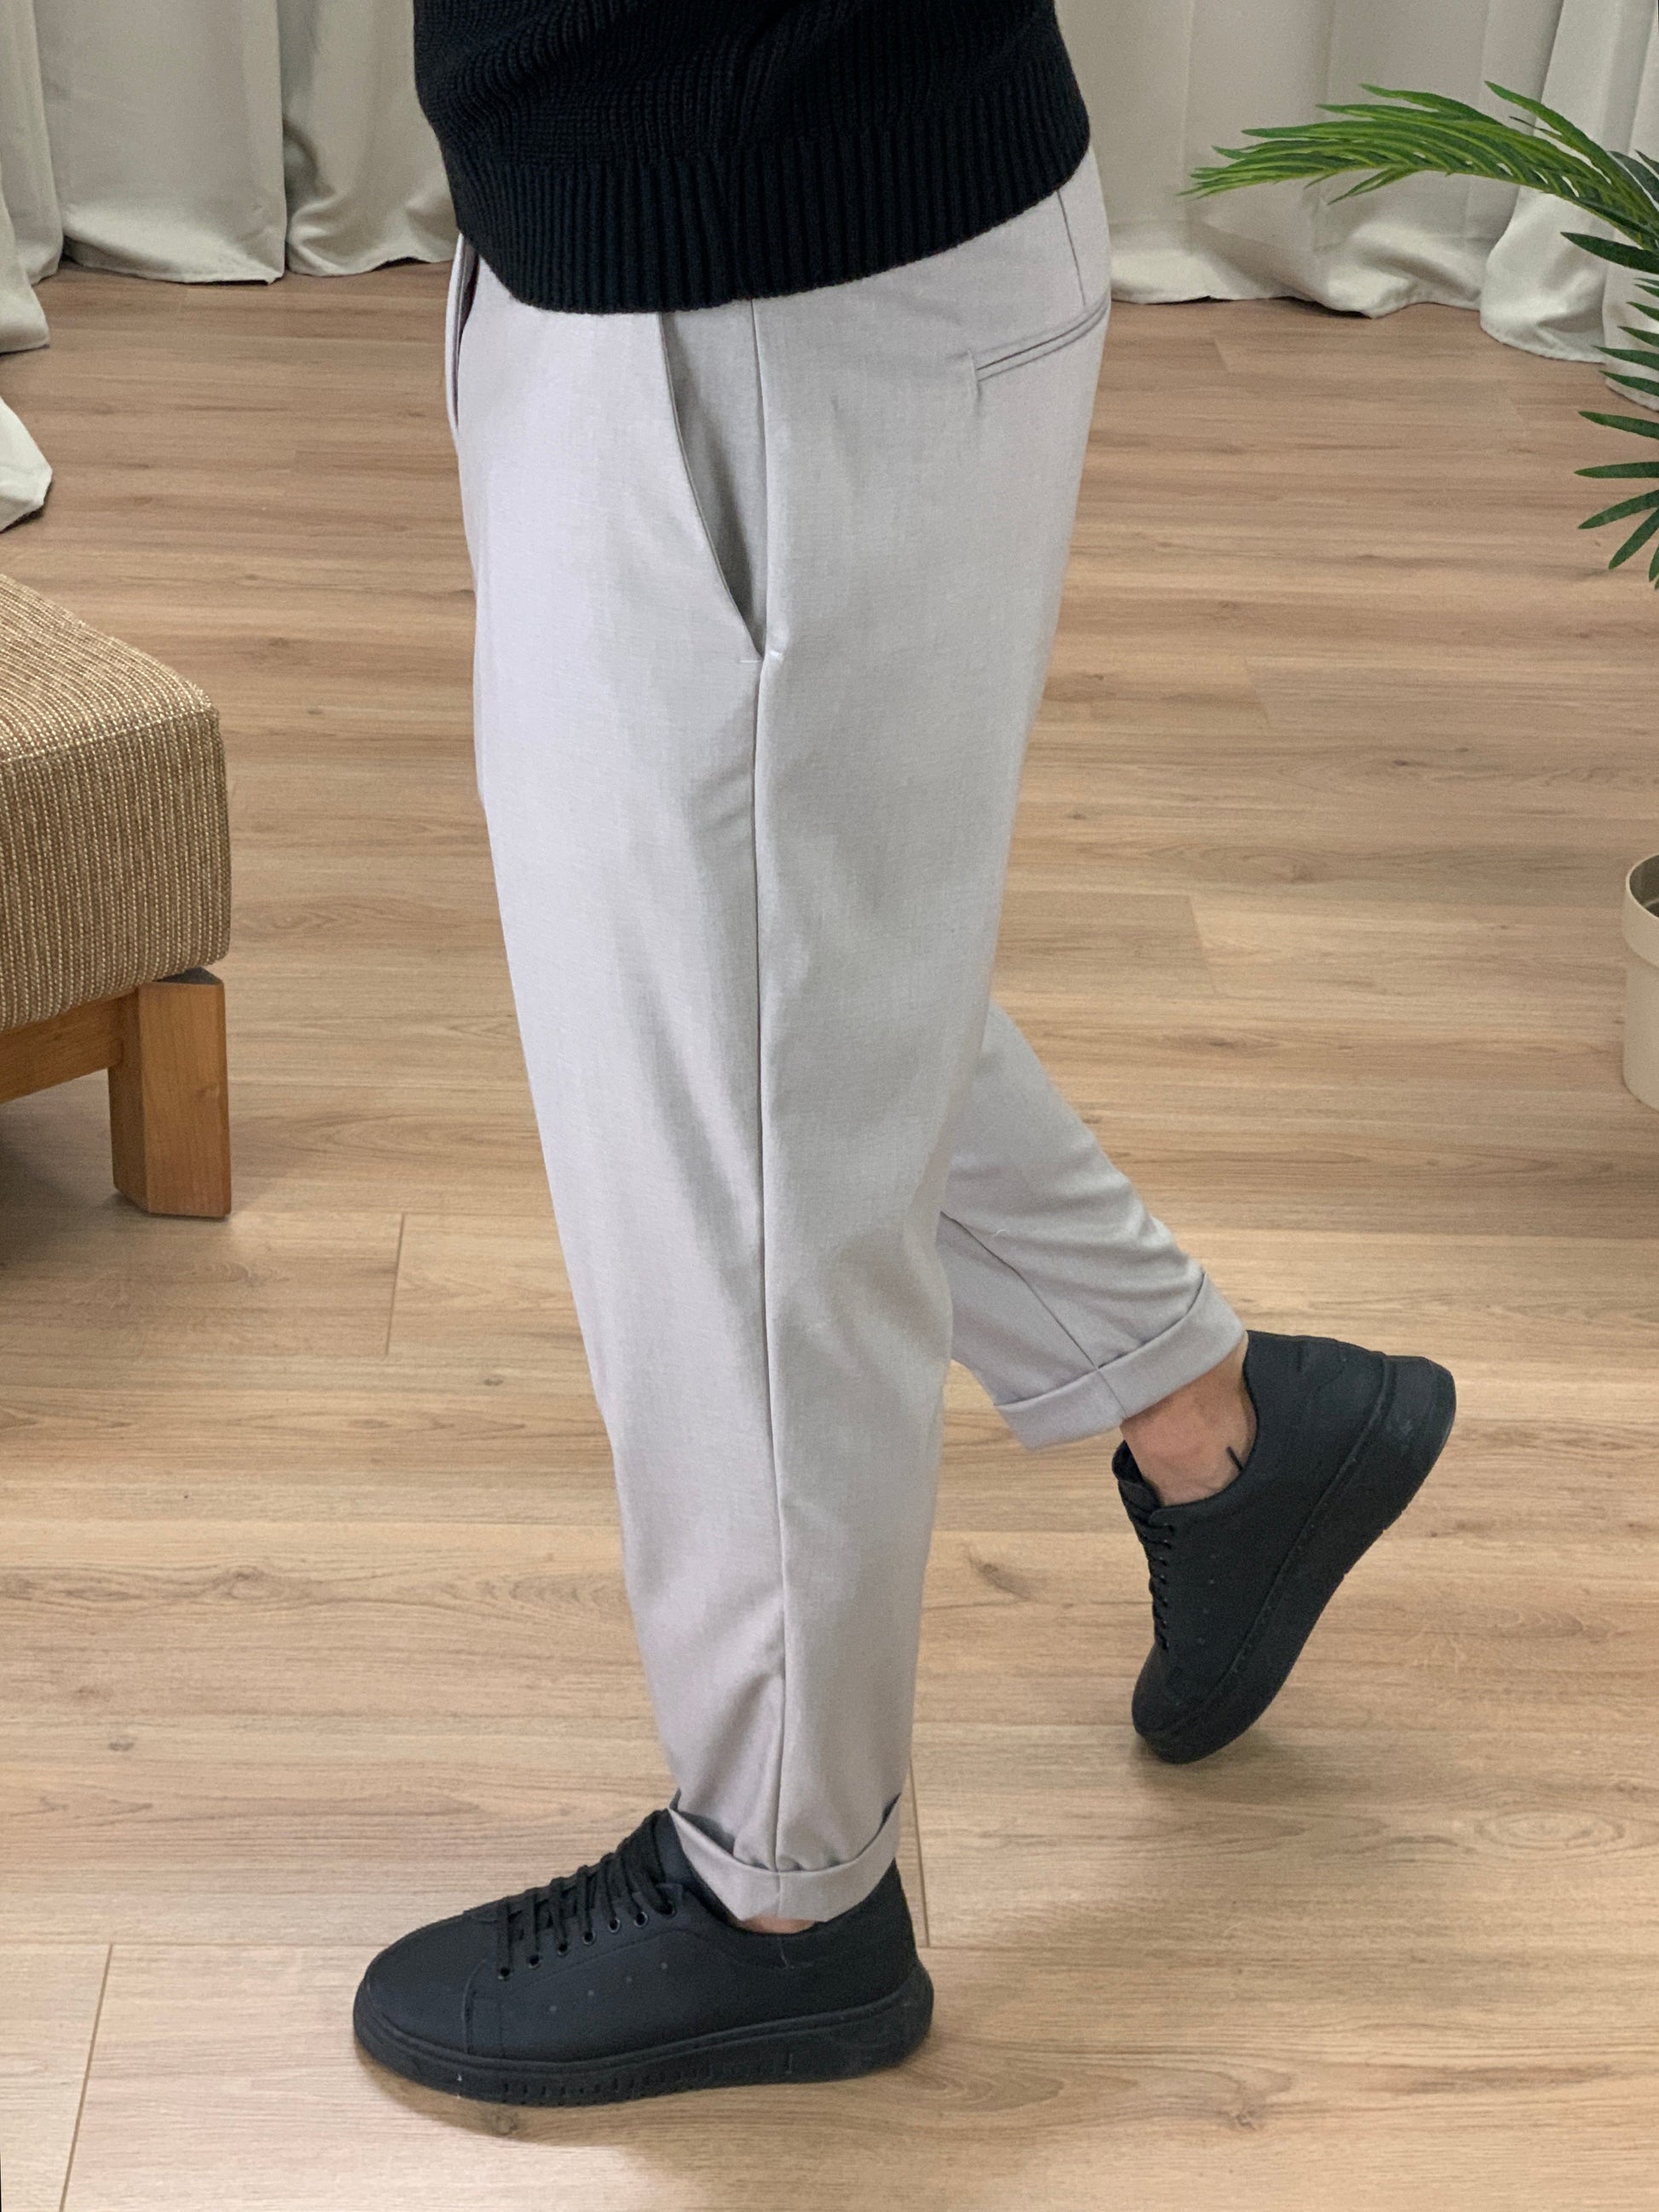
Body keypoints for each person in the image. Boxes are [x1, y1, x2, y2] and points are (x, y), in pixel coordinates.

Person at [353, 1, 1456, 2109]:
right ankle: (1216, 1420)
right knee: (756, 1004)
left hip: (772, 278)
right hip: (648, 234)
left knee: (740, 1103)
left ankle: (786, 1896)